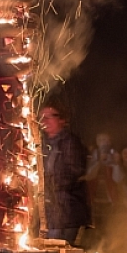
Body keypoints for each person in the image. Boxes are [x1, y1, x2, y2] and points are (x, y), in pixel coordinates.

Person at [40, 104, 91, 245]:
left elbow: (73, 172)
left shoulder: (70, 142)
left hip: (68, 211)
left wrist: (47, 185)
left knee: (61, 252)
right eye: (42, 117)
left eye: (50, 116)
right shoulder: (41, 144)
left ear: (61, 120)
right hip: (51, 211)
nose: (45, 121)